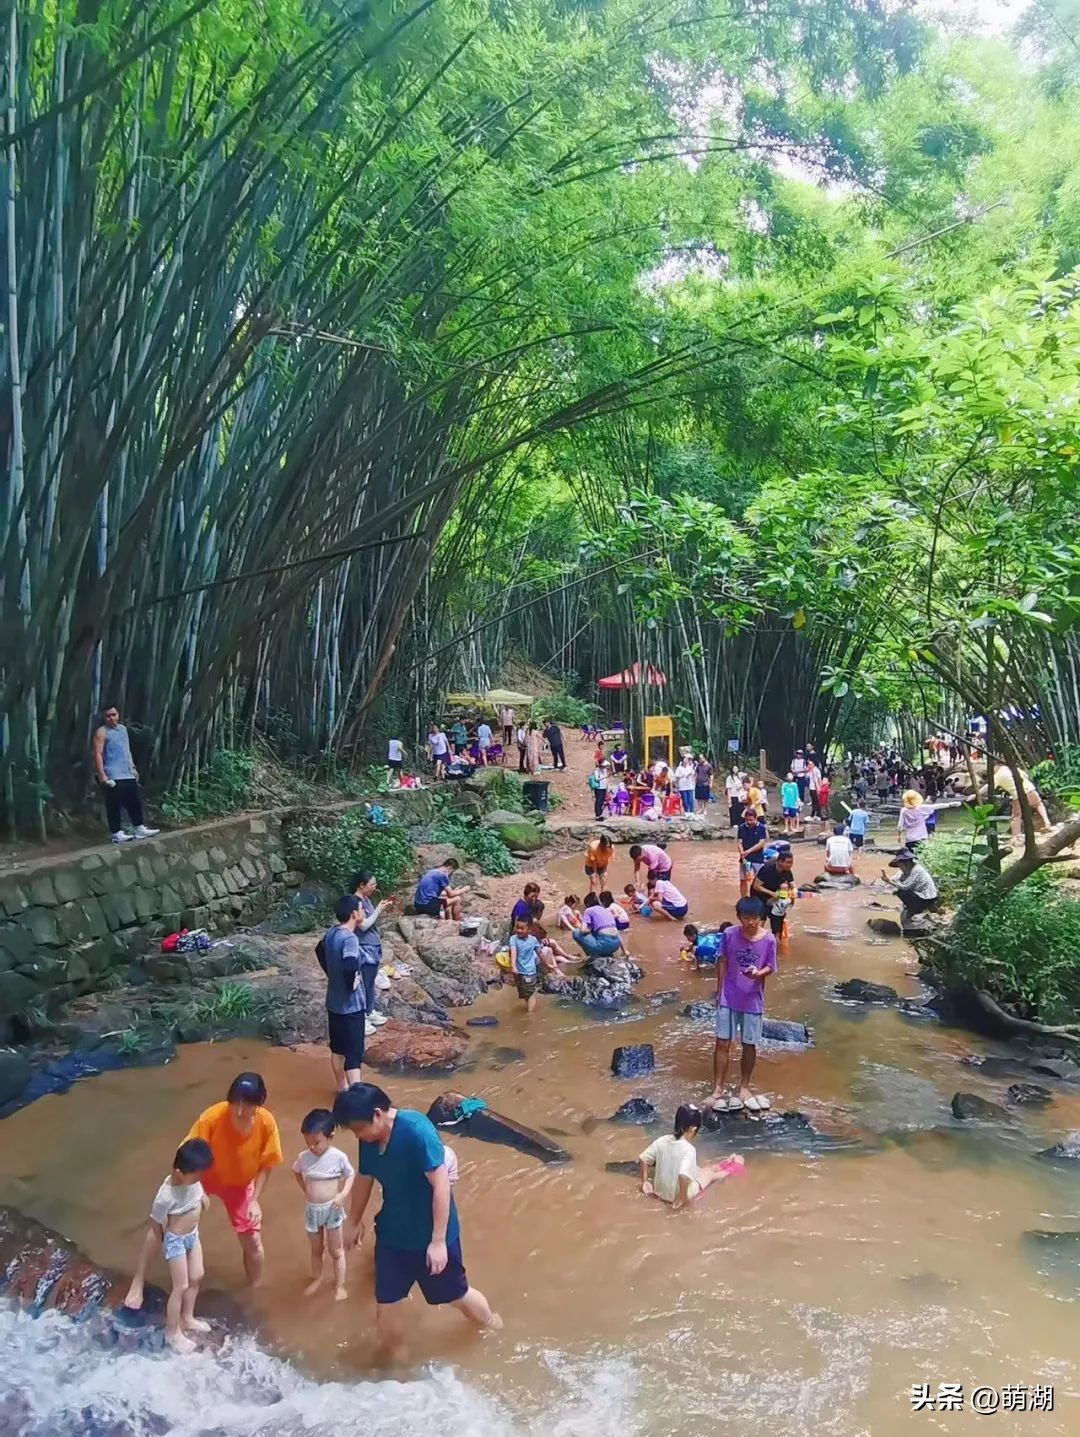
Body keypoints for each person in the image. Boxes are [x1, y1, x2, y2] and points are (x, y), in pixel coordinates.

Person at [334, 1082, 501, 1361]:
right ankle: (399, 1369)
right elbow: (365, 1177)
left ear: (377, 1114)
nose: (358, 1135)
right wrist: (353, 1220)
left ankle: (492, 1326)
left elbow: (441, 1186)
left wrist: (437, 1242)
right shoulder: (369, 1140)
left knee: (455, 1295)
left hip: (429, 1237)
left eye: (358, 1128)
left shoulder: (416, 1131)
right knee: (386, 1303)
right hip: (392, 1235)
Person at [187, 1073, 282, 1286]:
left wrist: (255, 1200)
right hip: (203, 1178)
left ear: (259, 1104)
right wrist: (196, 1189)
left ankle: (254, 1288)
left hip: (239, 1185)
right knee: (179, 1227)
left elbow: (267, 1164)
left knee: (254, 1242)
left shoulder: (266, 1123)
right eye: (235, 1103)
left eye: (247, 1105)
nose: (239, 1111)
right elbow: (188, 1156)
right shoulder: (210, 1118)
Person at [126, 1138, 213, 1351]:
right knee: (180, 1286)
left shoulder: (192, 1182)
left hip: (193, 1234)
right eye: (196, 1175)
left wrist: (203, 1199)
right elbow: (156, 1227)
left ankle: (188, 1317)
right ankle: (172, 1332)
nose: (199, 1179)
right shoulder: (166, 1196)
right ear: (179, 1173)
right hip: (175, 1241)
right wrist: (167, 1245)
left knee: (197, 1276)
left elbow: (198, 1192)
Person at [708, 897, 777, 1113]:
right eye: (746, 918)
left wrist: (758, 973)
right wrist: (719, 992)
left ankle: (744, 1087)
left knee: (749, 1044)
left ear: (761, 918)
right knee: (722, 1043)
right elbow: (723, 962)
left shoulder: (769, 940)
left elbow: (771, 967)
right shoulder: (729, 935)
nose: (750, 922)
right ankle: (718, 1087)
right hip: (729, 996)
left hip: (752, 999)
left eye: (754, 918)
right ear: (739, 917)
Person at [293, 1109, 355, 1300]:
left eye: (316, 1142)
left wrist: (342, 1194)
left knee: (336, 1251)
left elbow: (350, 1174)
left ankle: (340, 1285)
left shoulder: (338, 1157)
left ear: (330, 1137)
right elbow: (296, 1171)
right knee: (316, 1249)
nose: (312, 1147)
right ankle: (317, 1278)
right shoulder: (304, 1157)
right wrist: (306, 1190)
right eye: (308, 1142)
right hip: (313, 1210)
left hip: (333, 1209)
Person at [638, 1105, 744, 1208]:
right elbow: (683, 1175)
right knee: (709, 1175)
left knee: (701, 1169)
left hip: (660, 1193)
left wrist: (645, 1182)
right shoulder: (689, 1149)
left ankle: (715, 1168)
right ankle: (730, 1169)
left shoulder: (662, 1140)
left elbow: (643, 1158)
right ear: (692, 1129)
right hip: (678, 1196)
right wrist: (682, 1198)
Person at [92, 705, 159, 843]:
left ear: (118, 714)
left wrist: (133, 767)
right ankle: (116, 832)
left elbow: (126, 750)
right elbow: (98, 754)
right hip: (112, 772)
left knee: (133, 801)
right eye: (108, 716)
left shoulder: (123, 729)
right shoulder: (101, 732)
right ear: (103, 717)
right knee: (113, 804)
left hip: (126, 772)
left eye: (114, 715)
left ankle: (138, 827)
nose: (111, 718)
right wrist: (102, 774)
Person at [320, 894, 367, 1085]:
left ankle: (342, 1088)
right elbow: (349, 965)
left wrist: (332, 974)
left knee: (337, 1049)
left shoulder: (331, 933)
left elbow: (319, 950)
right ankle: (357, 1097)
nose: (364, 911)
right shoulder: (350, 939)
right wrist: (352, 983)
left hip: (333, 1003)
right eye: (361, 908)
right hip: (351, 1007)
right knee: (354, 1054)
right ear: (355, 913)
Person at [352, 870, 393, 1034]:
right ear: (361, 885)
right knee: (362, 983)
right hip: (364, 947)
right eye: (371, 885)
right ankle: (361, 1018)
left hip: (372, 945)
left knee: (370, 983)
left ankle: (369, 1011)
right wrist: (378, 910)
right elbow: (362, 925)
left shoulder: (366, 899)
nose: (374, 887)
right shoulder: (356, 902)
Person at [991, 763, 1052, 839]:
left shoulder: (998, 776)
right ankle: (1047, 822)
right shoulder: (1013, 768)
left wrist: (978, 794)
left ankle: (1015, 836)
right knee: (1039, 804)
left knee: (1016, 816)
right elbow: (1026, 775)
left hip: (1018, 795)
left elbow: (990, 787)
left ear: (996, 767)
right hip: (1030, 789)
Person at [882, 849, 939, 925]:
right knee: (898, 891)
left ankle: (917, 910)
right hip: (923, 895)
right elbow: (897, 878)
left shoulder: (916, 870)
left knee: (902, 892)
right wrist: (888, 878)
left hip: (928, 897)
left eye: (900, 865)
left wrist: (889, 881)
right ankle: (918, 909)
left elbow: (904, 887)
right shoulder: (906, 870)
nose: (900, 867)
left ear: (907, 862)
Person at [752, 847, 796, 939]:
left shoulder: (787, 871)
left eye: (791, 862)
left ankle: (777, 944)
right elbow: (756, 886)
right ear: (780, 862)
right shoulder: (767, 869)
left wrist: (794, 893)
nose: (790, 865)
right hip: (759, 893)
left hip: (774, 896)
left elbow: (793, 885)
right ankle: (756, 939)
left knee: (777, 920)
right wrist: (771, 893)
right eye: (788, 862)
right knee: (762, 917)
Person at [574, 893, 625, 958]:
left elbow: (583, 930)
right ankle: (608, 954)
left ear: (587, 904)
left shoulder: (588, 910)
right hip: (616, 944)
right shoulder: (605, 910)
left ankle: (591, 956)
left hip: (604, 944)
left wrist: (588, 930)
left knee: (576, 932)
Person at [509, 916, 541, 1011]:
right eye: (517, 927)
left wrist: (550, 966)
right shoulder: (513, 939)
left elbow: (540, 953)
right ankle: (529, 1008)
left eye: (522, 928)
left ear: (529, 929)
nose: (519, 930)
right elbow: (513, 952)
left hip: (530, 972)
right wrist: (513, 966)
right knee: (524, 994)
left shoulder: (533, 940)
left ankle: (530, 1015)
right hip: (519, 972)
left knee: (529, 994)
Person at [736, 807, 768, 897]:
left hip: (758, 859)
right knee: (744, 879)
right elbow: (739, 842)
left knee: (759, 880)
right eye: (747, 820)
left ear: (756, 818)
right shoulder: (742, 828)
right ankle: (744, 899)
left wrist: (748, 851)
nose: (749, 822)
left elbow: (761, 843)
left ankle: (758, 898)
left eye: (751, 820)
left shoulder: (761, 828)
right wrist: (742, 855)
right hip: (746, 860)